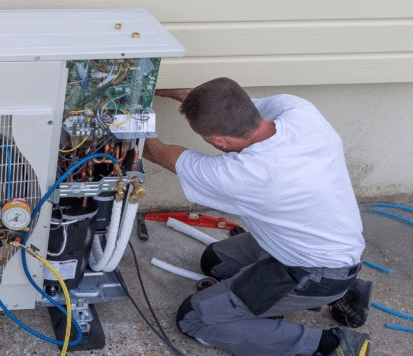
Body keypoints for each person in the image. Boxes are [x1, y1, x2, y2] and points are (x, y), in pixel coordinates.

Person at [141, 77, 373, 356]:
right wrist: (142, 88)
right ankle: (349, 293)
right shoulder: (299, 111)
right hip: (330, 247)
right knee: (214, 262)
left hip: (312, 271)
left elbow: (154, 151)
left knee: (195, 317)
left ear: (219, 141)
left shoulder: (243, 174)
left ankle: (330, 346)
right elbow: (194, 96)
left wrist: (123, 116)